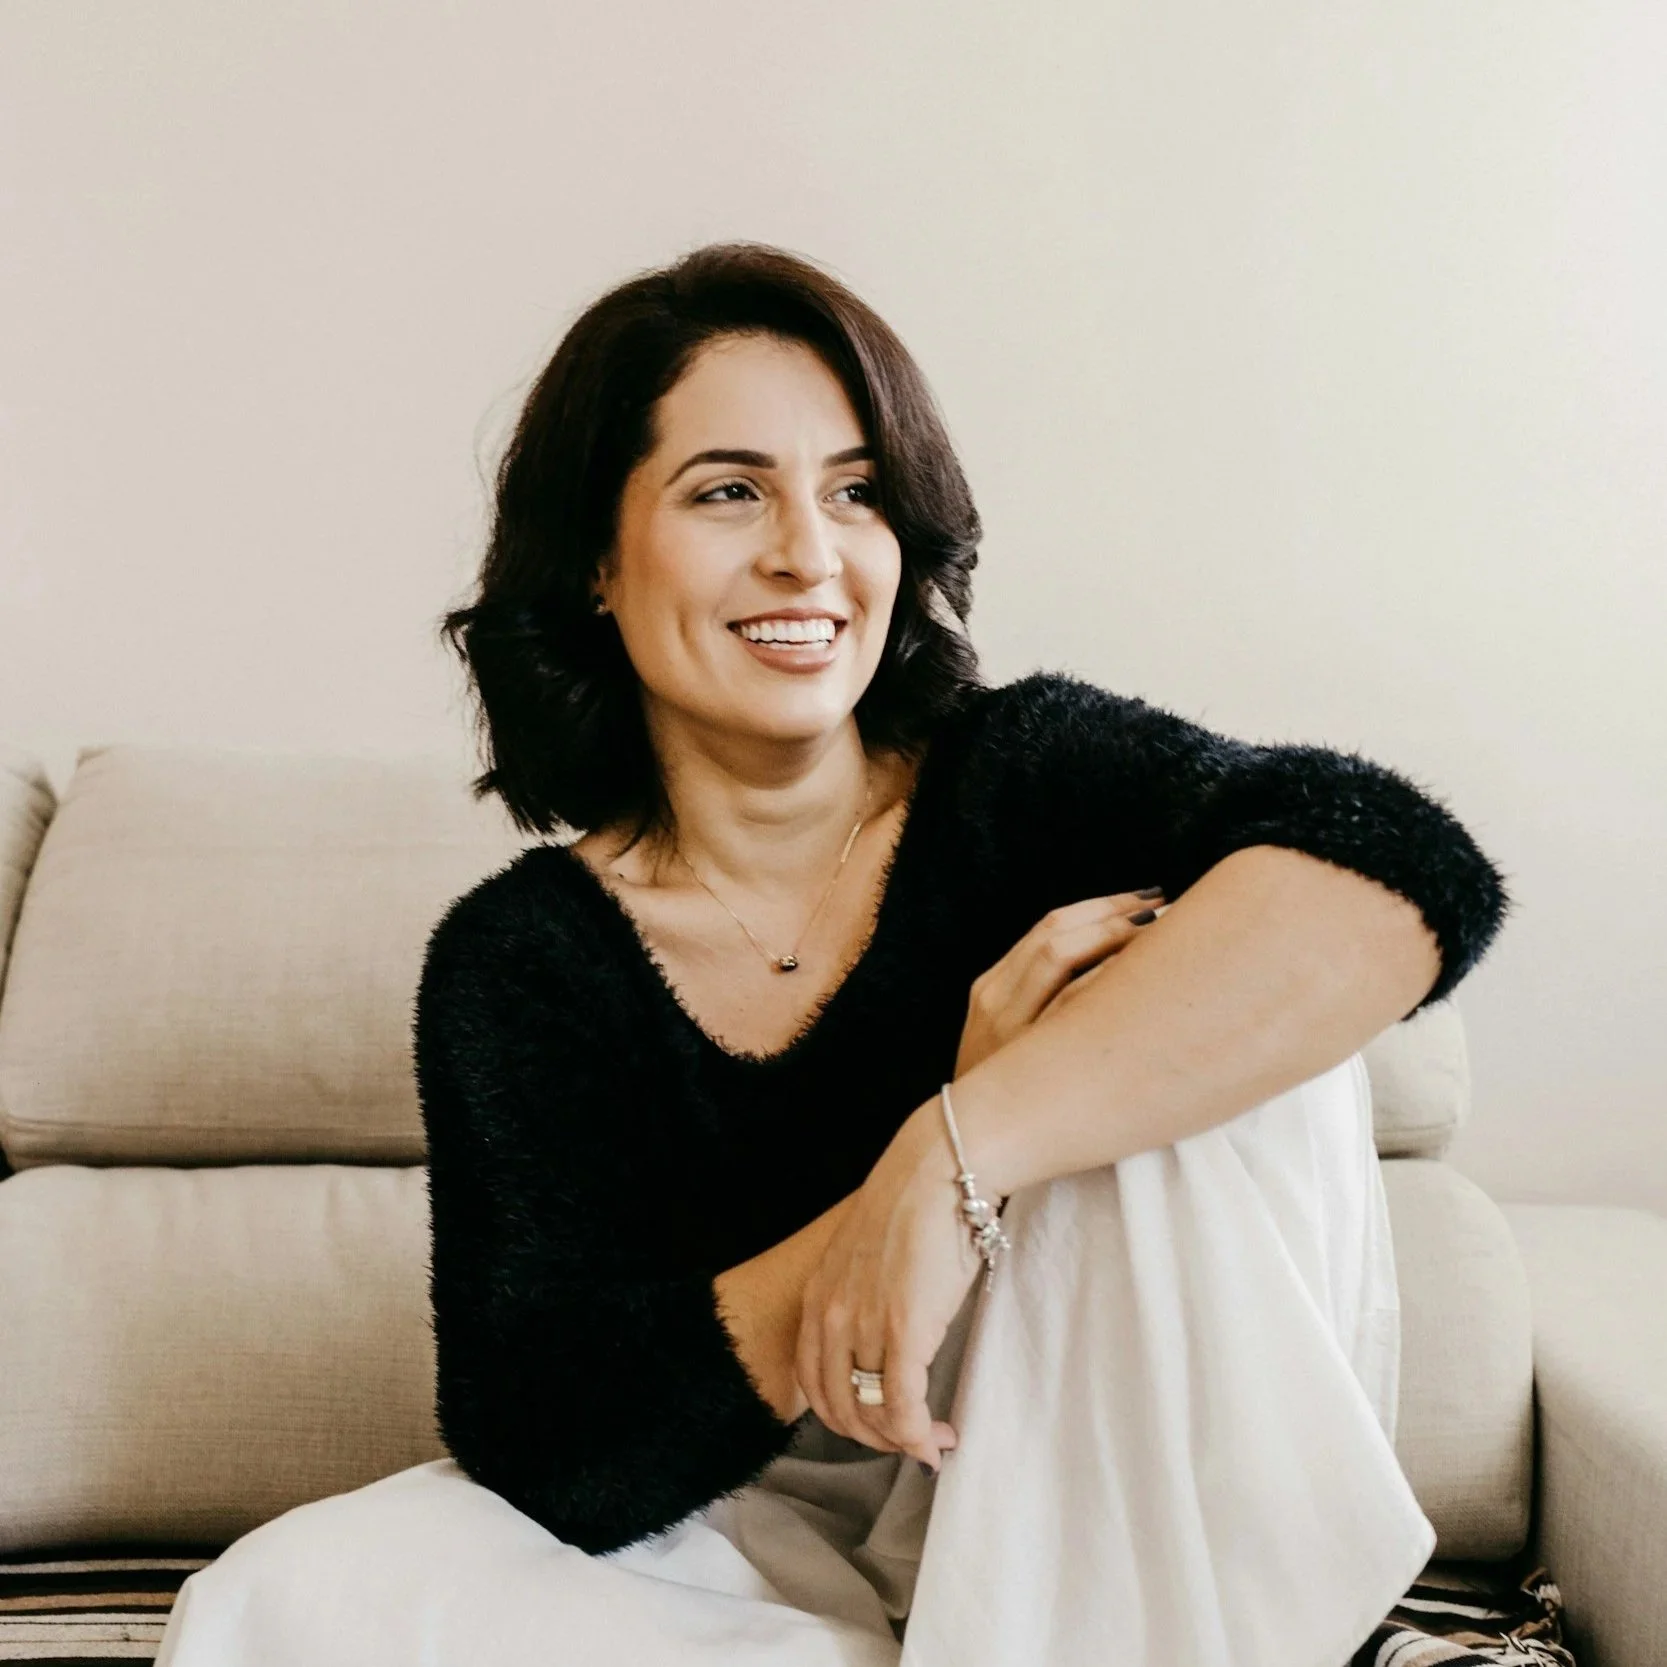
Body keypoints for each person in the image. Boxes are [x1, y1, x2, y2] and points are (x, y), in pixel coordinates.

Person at [155, 241, 1512, 1666]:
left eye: (856, 492)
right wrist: (884, 1221)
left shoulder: (1028, 774)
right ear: (598, 561)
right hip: (779, 1532)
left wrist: (968, 1142)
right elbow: (555, 1441)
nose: (808, 553)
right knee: (283, 1600)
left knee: (1181, 995)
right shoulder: (523, 957)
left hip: (1106, 1473)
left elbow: (1409, 872)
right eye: (728, 490)